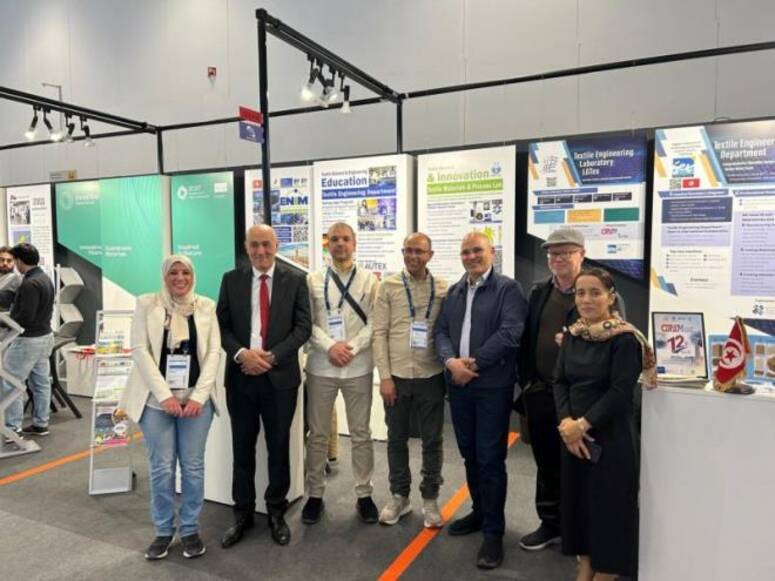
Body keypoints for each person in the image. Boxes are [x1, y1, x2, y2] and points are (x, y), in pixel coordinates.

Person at [517, 228, 626, 552]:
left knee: (582, 467)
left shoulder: (601, 293)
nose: (558, 258)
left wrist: (579, 340)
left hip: (582, 400)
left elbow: (616, 339)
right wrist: (527, 382)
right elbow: (528, 338)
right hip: (542, 392)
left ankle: (582, 533)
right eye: (553, 253)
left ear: (582, 254)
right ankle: (551, 524)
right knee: (546, 464)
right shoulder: (539, 291)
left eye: (566, 252)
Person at [434, 232, 528, 569]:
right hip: (459, 386)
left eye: (477, 250)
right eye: (466, 252)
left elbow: (510, 333)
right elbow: (441, 332)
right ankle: (479, 511)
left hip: (491, 387)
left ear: (492, 253)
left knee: (490, 458)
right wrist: (451, 363)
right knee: (469, 454)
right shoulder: (456, 291)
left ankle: (493, 532)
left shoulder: (508, 289)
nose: (471, 257)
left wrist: (471, 365)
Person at [553, 267, 653, 580]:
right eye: (581, 293)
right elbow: (559, 381)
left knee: (609, 510)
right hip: (574, 438)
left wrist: (582, 425)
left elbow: (620, 393)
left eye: (595, 293)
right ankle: (585, 566)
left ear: (611, 297)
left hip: (610, 439)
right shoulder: (573, 335)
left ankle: (606, 572)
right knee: (580, 506)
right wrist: (567, 424)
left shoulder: (625, 339)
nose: (586, 299)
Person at [217, 225, 311, 547]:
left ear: (276, 245)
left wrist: (272, 356)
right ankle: (242, 513)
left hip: (280, 379)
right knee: (242, 449)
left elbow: (303, 328)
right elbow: (222, 326)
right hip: (241, 377)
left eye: (266, 245)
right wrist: (242, 354)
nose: (260, 251)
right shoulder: (231, 280)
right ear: (246, 247)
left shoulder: (295, 280)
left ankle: (276, 511)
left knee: (278, 448)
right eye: (254, 245)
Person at [121, 255, 221, 560]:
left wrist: (199, 397)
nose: (180, 278)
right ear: (164, 276)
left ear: (193, 275)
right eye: (173, 272)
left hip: (195, 402)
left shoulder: (206, 306)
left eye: (185, 272)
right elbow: (140, 350)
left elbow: (214, 353)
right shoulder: (147, 304)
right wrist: (165, 395)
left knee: (192, 467)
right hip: (156, 402)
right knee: (162, 468)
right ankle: (163, 530)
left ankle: (189, 529)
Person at [302, 222, 379, 525]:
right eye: (334, 239)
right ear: (327, 244)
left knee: (361, 434)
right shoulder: (313, 280)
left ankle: (364, 493)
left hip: (358, 367)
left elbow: (375, 322)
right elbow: (307, 322)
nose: (340, 244)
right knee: (318, 434)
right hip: (321, 366)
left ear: (354, 242)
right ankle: (315, 494)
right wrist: (330, 346)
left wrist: (352, 347)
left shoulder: (370, 280)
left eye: (345, 239)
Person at [372, 232, 448, 527]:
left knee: (432, 440)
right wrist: (384, 377)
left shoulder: (442, 288)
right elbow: (379, 333)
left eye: (419, 251)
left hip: (431, 375)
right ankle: (399, 496)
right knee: (396, 439)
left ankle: (430, 497)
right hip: (398, 377)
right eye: (408, 251)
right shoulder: (388, 286)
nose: (413, 256)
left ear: (430, 255)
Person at [1, 243, 55, 437]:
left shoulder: (29, 284)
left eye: (13, 260)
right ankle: (41, 424)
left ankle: (12, 428)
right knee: (41, 383)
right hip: (45, 337)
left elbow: (25, 317)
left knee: (10, 383)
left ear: (19, 261)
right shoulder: (45, 278)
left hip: (28, 341)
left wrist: (4, 321)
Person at [0, 246, 21, 310]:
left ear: (14, 262)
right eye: (2, 260)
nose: (5, 263)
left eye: (9, 260)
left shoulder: (18, 279)